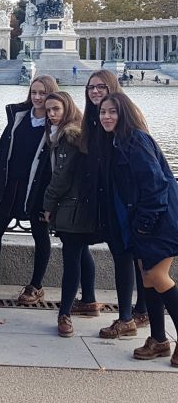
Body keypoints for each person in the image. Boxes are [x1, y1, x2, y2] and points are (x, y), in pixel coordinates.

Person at [99, 93, 178, 367]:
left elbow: (155, 184)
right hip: (145, 220)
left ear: (125, 114)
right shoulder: (119, 141)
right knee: (147, 279)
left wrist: (145, 224)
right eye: (103, 112)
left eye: (113, 112)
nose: (106, 116)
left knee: (157, 276)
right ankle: (158, 340)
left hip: (159, 220)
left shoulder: (136, 140)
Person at [0, 75, 58, 303]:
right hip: (11, 185)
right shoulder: (19, 116)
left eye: (43, 93)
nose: (37, 97)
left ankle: (36, 285)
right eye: (34, 92)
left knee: (40, 235)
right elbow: (3, 149)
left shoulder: (56, 124)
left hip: (37, 189)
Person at [80, 70, 148, 337]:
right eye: (91, 87)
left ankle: (132, 315)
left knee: (132, 257)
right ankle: (134, 313)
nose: (95, 91)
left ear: (112, 88)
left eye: (101, 86)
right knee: (124, 256)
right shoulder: (93, 121)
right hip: (108, 198)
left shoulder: (127, 123)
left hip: (127, 201)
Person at [42, 92, 100, 338]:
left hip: (71, 206)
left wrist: (48, 204)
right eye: (48, 111)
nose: (51, 114)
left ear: (68, 108)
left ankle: (64, 314)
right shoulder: (77, 132)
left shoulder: (68, 135)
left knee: (71, 258)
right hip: (83, 204)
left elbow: (61, 176)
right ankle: (89, 300)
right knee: (81, 251)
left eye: (56, 109)